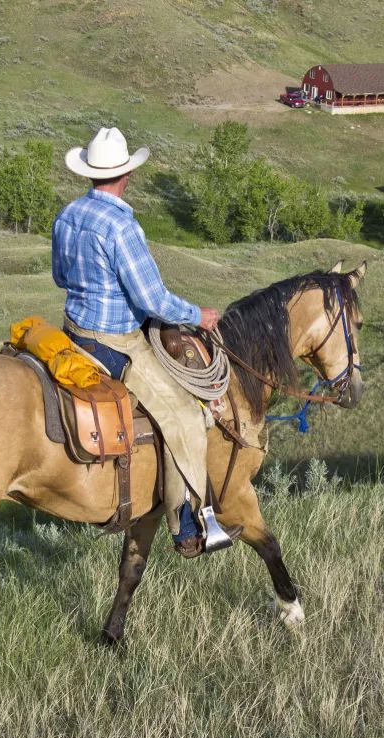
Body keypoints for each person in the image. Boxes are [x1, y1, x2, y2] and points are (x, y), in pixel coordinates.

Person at [52, 127, 236, 558]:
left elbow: (60, 277)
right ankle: (185, 523)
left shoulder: (69, 214)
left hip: (72, 330)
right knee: (186, 413)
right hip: (115, 342)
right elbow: (151, 299)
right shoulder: (122, 226)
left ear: (90, 174)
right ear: (126, 175)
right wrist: (199, 315)